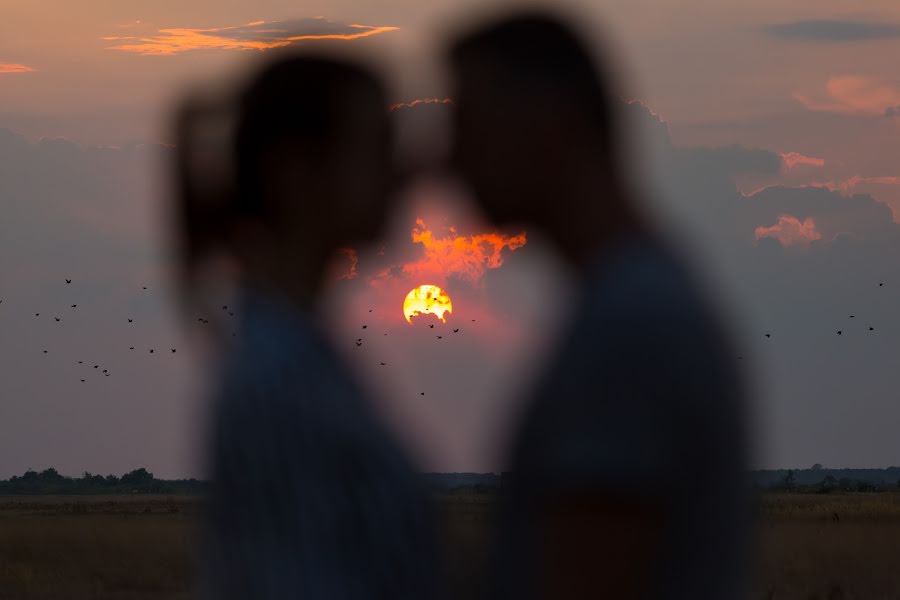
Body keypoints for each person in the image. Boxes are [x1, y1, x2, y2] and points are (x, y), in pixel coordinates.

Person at [446, 13, 749, 600]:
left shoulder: (628, 326)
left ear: (550, 124)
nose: (452, 160)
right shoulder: (643, 298)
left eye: (470, 126)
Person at [173, 52, 438, 599]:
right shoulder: (279, 385)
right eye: (376, 146)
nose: (404, 170)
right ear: (296, 171)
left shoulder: (297, 356)